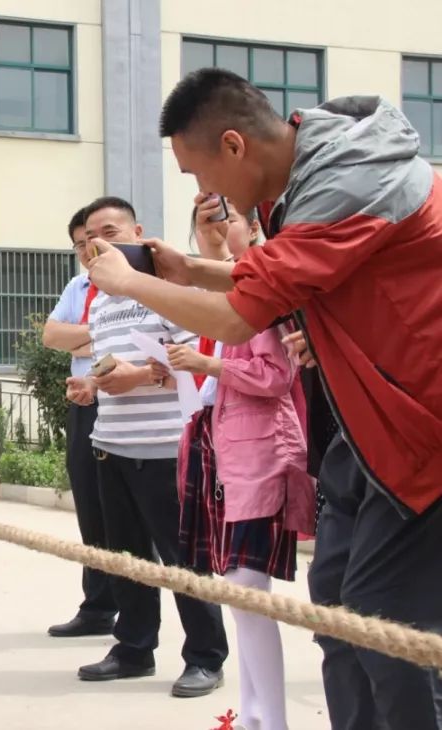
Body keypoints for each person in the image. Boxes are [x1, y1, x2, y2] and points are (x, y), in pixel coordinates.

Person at [85, 68, 442, 730]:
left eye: (200, 175)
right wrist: (188, 269)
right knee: (334, 604)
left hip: (421, 433)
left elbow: (239, 319)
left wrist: (129, 285)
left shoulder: (348, 185)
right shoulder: (310, 183)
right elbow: (274, 276)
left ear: (233, 145)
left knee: (380, 620)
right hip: (370, 435)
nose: (204, 194)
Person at [70, 197, 228, 697]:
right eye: (86, 240)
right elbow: (112, 368)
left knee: (184, 560)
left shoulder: (165, 290)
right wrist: (91, 387)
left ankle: (205, 656)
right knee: (125, 558)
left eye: (110, 232)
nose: (98, 245)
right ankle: (134, 648)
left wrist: (141, 375)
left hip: (166, 449)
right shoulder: (99, 302)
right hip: (110, 447)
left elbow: (196, 360)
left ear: (138, 232)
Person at [168, 199, 315, 730]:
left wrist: (207, 365)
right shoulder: (218, 297)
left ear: (254, 229)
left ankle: (269, 719)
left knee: (249, 594)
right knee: (238, 590)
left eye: (223, 219)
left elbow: (275, 377)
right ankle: (252, 716)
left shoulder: (263, 291)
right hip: (220, 450)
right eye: (203, 224)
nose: (212, 231)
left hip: (256, 454)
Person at [42, 205, 118, 638]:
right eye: (79, 243)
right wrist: (101, 328)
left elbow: (136, 340)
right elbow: (52, 336)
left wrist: (85, 330)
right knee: (89, 502)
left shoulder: (139, 283)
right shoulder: (78, 285)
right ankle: (98, 605)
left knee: (125, 509)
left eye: (95, 237)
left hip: (127, 400)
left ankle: (134, 606)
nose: (88, 249)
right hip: (85, 402)